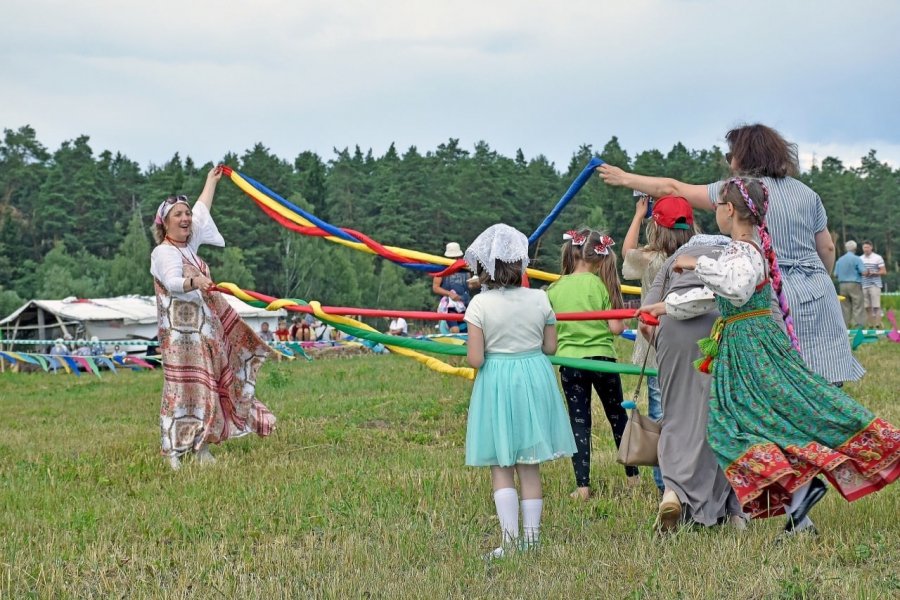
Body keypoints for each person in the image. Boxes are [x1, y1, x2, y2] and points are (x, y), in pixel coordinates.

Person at [671, 177, 900, 535]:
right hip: (744, 343)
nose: (715, 212)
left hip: (752, 346)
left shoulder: (743, 250)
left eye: (717, 206)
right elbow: (723, 295)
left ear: (729, 210)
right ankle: (800, 512)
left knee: (732, 428)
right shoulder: (743, 250)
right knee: (765, 421)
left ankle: (803, 491)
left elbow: (736, 286)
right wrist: (668, 304)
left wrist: (694, 262)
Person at [598, 123, 863, 385]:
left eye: (729, 155)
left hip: (768, 294)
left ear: (743, 157)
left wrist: (625, 178)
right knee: (825, 382)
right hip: (819, 294)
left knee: (779, 383)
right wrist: (817, 279)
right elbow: (827, 248)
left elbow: (673, 188)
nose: (728, 163)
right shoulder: (807, 193)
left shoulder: (737, 192)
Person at [149, 165, 276, 471]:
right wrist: (195, 282)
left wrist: (211, 181)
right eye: (177, 215)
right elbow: (173, 282)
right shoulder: (164, 253)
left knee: (207, 387)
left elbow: (201, 210)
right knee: (183, 391)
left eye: (185, 214)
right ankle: (175, 452)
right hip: (182, 340)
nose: (185, 218)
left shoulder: (188, 247)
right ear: (164, 224)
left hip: (203, 334)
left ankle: (200, 446)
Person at [463, 223, 577, 558]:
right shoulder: (540, 298)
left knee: (501, 463)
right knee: (529, 464)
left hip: (497, 381)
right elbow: (551, 347)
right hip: (534, 378)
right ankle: (532, 541)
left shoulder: (479, 306)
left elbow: (475, 358)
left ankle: (510, 543)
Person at [640, 231, 755, 532]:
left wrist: (661, 345)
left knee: (677, 418)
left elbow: (646, 317)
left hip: (673, 330)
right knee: (727, 417)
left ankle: (673, 492)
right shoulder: (738, 256)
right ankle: (735, 512)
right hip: (723, 329)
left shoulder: (674, 261)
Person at [547, 228, 635, 499]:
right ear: (599, 258)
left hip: (570, 361)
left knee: (579, 422)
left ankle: (583, 485)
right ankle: (633, 478)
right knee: (617, 416)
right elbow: (616, 328)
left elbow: (548, 332)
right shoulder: (602, 285)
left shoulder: (554, 288)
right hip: (603, 361)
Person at [621, 194, 698, 494]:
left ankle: (664, 482)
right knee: (690, 409)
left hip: (655, 340)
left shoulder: (651, 258)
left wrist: (638, 214)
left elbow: (627, 252)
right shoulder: (696, 257)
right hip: (693, 341)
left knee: (659, 410)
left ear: (656, 228)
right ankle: (688, 475)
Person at [433, 242, 474, 333]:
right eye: (452, 258)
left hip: (464, 304)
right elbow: (435, 287)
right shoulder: (441, 269)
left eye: (456, 257)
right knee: (455, 329)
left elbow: (469, 285)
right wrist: (449, 293)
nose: (454, 259)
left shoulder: (465, 270)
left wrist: (477, 282)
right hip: (449, 305)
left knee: (467, 331)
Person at [834, 241, 866, 329]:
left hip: (842, 285)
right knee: (857, 305)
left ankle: (845, 326)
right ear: (855, 248)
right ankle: (858, 325)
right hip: (854, 283)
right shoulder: (857, 259)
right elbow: (863, 272)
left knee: (845, 306)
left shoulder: (840, 259)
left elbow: (835, 274)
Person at [861, 240, 887, 329]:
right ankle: (871, 324)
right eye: (864, 247)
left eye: (867, 247)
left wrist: (874, 273)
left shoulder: (877, 258)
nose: (866, 249)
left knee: (876, 305)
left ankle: (878, 323)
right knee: (867, 306)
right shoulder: (860, 259)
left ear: (871, 247)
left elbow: (884, 271)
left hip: (875, 284)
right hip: (864, 284)